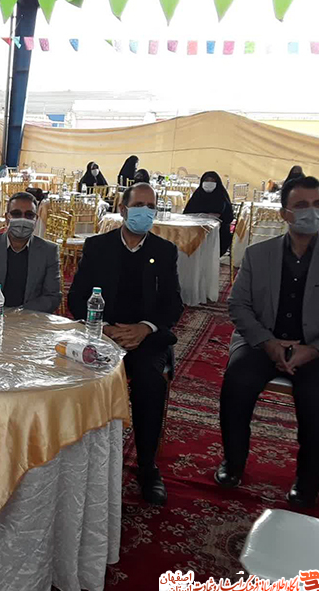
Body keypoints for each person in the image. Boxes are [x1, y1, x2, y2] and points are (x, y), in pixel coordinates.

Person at [215, 176, 319, 508]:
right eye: (301, 205)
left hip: (318, 348)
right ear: (284, 213)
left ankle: (308, 480)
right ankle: (233, 462)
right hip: (262, 342)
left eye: (318, 205)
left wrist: (312, 350)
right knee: (237, 383)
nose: (312, 212)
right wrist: (269, 343)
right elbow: (238, 305)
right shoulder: (258, 254)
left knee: (316, 396)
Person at [68, 182, 183, 506]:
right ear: (123, 210)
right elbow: (76, 297)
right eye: (139, 206)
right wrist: (103, 328)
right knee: (76, 379)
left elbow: (173, 305)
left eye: (151, 207)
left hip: (145, 339)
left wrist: (144, 329)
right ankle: (80, 460)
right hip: (102, 334)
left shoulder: (164, 251)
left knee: (149, 382)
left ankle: (147, 467)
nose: (145, 212)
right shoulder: (98, 246)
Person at [0, 192, 61, 313]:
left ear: (36, 219)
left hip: (30, 318)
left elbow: (52, 296)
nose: (22, 219)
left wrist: (20, 313)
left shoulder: (49, 251)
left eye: (29, 215)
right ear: (7, 217)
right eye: (16, 214)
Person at [184, 171, 235, 256]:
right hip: (196, 230)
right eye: (207, 180)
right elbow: (187, 213)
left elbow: (229, 217)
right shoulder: (198, 195)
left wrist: (219, 217)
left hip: (218, 233)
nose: (209, 183)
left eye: (212, 181)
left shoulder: (221, 196)